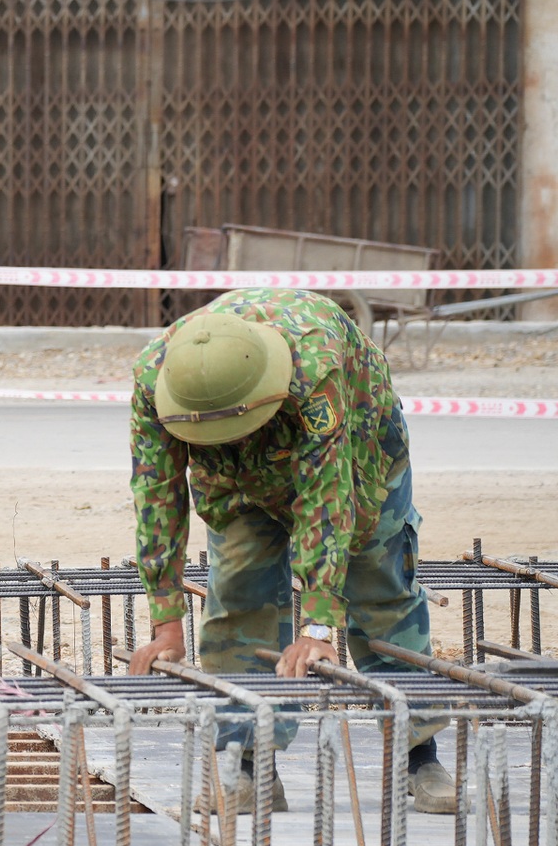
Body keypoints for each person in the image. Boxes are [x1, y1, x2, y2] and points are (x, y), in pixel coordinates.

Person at [126, 288, 454, 814]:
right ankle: (248, 766)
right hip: (233, 474)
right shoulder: (155, 378)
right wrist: (165, 616)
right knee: (237, 589)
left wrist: (319, 624)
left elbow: (329, 496)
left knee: (377, 575)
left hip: (357, 443)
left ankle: (421, 756)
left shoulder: (316, 365)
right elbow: (155, 493)